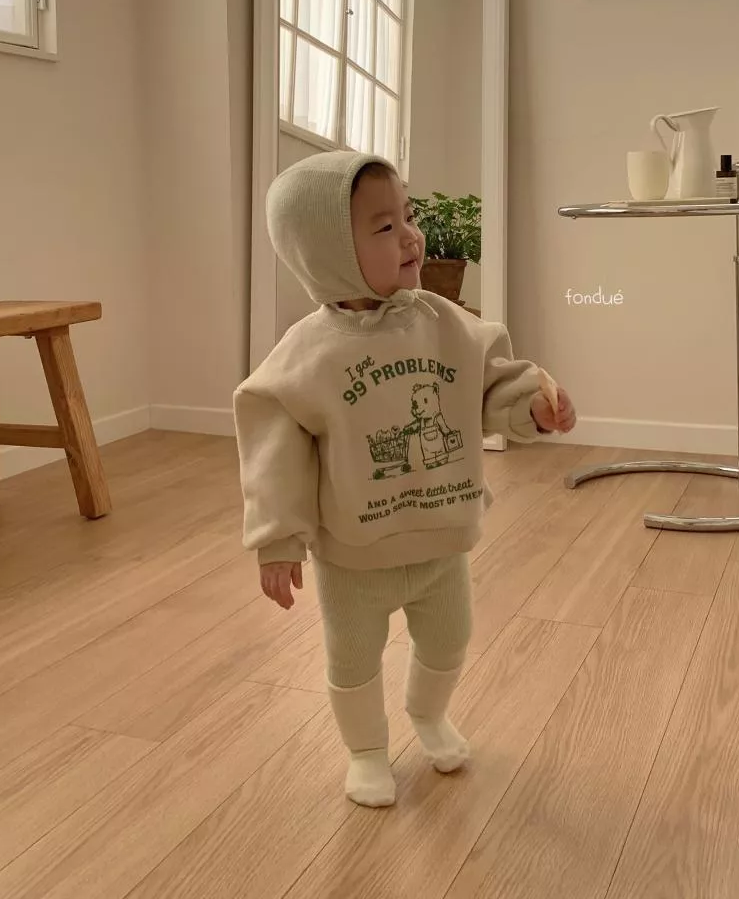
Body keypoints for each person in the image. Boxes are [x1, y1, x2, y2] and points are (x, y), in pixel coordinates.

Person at [233, 151, 575, 808]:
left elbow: (494, 383)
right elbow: (273, 449)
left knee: (449, 640)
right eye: (385, 227)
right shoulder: (308, 353)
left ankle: (428, 714)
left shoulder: (445, 323)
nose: (412, 236)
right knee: (353, 659)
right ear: (329, 253)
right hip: (355, 555)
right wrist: (277, 541)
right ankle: (366, 752)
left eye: (409, 216)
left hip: (441, 539)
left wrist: (532, 407)